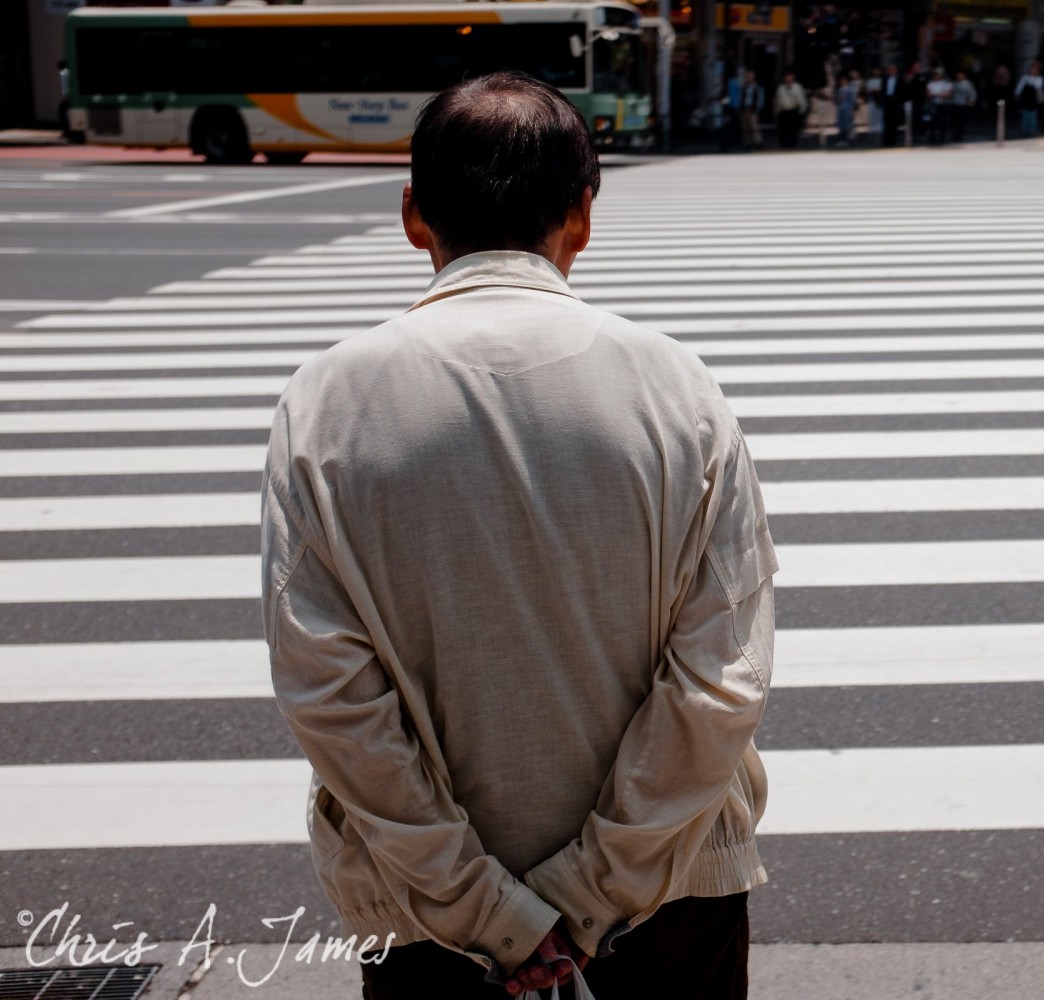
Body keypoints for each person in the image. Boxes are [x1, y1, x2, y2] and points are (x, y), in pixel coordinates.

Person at [262, 71, 777, 1000]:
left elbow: (328, 694)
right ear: (582, 214)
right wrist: (587, 890)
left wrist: (488, 909)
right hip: (669, 898)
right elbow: (720, 679)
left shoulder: (326, 401)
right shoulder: (678, 389)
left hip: (429, 918)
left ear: (414, 215)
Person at [774, 70, 807, 149]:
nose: (788, 78)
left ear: (793, 77)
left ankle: (792, 145)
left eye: (790, 76)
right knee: (784, 130)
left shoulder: (797, 87)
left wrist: (802, 110)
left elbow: (802, 99)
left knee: (793, 130)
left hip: (794, 111)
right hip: (784, 111)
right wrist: (776, 111)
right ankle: (784, 145)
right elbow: (777, 100)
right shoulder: (780, 88)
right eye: (787, 76)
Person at [1014, 60, 1044, 138]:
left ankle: (1031, 130)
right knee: (1025, 114)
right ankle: (1025, 131)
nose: (1032, 70)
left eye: (1034, 69)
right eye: (1031, 68)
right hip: (1026, 99)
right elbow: (1019, 87)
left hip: (1034, 99)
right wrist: (1017, 95)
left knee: (1033, 115)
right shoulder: (1025, 78)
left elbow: (1039, 87)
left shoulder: (1040, 78)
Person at [925, 66, 953, 145]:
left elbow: (948, 94)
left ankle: (942, 138)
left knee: (942, 122)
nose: (936, 76)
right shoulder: (930, 84)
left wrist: (937, 94)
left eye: (938, 75)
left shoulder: (946, 84)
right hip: (934, 105)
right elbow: (929, 94)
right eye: (935, 75)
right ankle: (932, 138)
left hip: (943, 105)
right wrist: (940, 94)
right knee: (933, 122)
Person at [881, 61, 906, 146]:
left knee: (894, 122)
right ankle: (886, 141)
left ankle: (893, 141)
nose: (890, 71)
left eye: (892, 69)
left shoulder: (900, 79)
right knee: (886, 122)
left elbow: (903, 91)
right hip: (887, 101)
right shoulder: (885, 79)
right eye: (889, 70)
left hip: (896, 102)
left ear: (896, 70)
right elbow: (883, 90)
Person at [739, 70, 765, 151]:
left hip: (752, 108)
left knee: (754, 127)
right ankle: (748, 143)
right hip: (745, 108)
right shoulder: (744, 88)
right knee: (745, 128)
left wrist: (757, 109)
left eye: (750, 77)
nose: (749, 78)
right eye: (748, 77)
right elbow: (741, 98)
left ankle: (758, 143)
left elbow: (760, 99)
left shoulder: (756, 88)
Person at [951, 69, 977, 140]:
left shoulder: (967, 83)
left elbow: (972, 93)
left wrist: (972, 101)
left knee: (962, 120)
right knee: (955, 120)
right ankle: (956, 133)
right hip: (955, 103)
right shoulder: (954, 83)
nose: (959, 76)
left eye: (960, 74)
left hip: (964, 104)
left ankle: (960, 133)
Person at [835, 72, 858, 145]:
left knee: (847, 125)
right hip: (841, 109)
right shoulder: (839, 90)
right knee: (841, 125)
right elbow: (837, 101)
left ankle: (848, 140)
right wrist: (839, 99)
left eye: (844, 80)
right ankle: (841, 140)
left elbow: (852, 101)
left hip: (847, 109)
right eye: (841, 81)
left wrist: (852, 110)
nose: (843, 82)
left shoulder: (850, 90)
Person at [865, 67, 885, 139]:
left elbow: (881, 90)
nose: (876, 72)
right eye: (875, 70)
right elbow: (868, 90)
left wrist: (875, 90)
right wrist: (873, 90)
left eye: (877, 70)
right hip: (872, 99)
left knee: (879, 115)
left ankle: (879, 131)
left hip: (879, 100)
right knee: (872, 115)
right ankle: (872, 131)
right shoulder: (870, 80)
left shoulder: (882, 80)